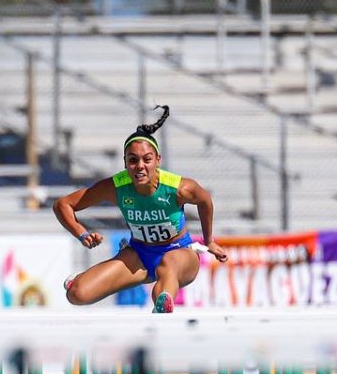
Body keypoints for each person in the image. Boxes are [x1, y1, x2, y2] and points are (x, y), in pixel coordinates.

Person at [53, 105, 228, 313]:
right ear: (125, 163)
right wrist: (81, 233)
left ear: (158, 160)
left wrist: (209, 241)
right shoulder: (116, 187)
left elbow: (205, 200)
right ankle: (84, 279)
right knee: (77, 295)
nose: (140, 166)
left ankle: (163, 304)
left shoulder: (179, 187)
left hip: (180, 253)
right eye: (133, 160)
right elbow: (62, 204)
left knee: (167, 267)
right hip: (140, 255)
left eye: (147, 159)